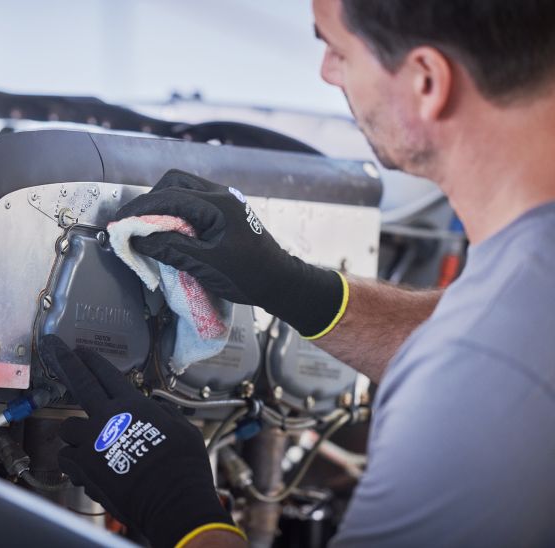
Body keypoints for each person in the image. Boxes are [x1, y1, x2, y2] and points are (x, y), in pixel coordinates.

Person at [38, 0, 555, 546]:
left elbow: (483, 359)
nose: (328, 72)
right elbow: (490, 333)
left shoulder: (475, 377)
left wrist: (180, 512)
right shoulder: (519, 292)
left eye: (337, 48)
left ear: (427, 80)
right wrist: (292, 287)